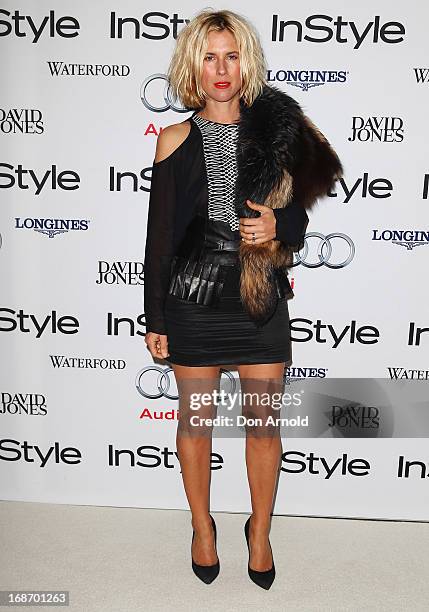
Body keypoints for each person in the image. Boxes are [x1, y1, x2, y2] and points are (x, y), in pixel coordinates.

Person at [143, 9, 343, 589]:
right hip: (193, 301)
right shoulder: (174, 139)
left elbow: (301, 224)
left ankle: (259, 531)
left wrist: (275, 225)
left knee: (263, 426)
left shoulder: (276, 132)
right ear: (193, 67)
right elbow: (158, 241)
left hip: (259, 305)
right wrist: (155, 316)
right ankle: (203, 528)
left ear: (246, 61)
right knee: (198, 424)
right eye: (209, 56)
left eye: (231, 55)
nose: (221, 68)